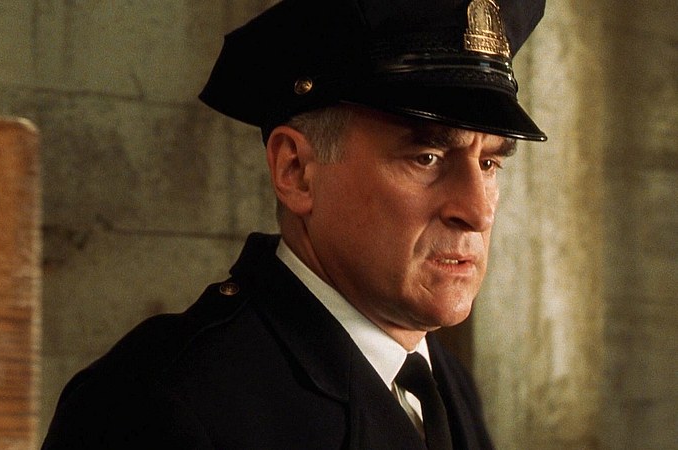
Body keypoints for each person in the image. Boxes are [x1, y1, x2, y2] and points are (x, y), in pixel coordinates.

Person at [42, 0, 546, 448]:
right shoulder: (156, 406)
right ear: (297, 171)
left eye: (489, 163)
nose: (477, 212)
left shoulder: (441, 381)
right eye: (427, 157)